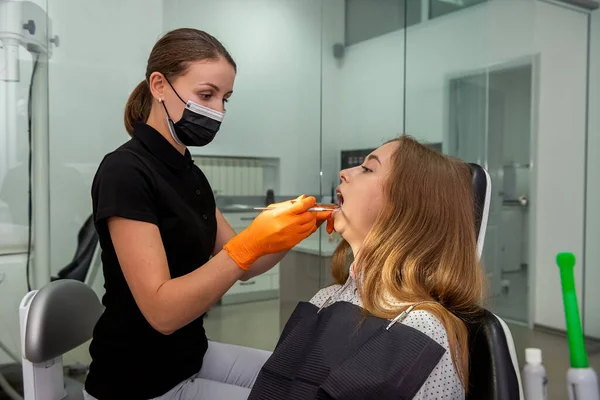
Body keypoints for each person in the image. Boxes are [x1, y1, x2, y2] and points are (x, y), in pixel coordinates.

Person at [83, 28, 330, 400]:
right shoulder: (126, 171)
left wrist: (293, 229)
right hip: (137, 379)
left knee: (300, 381)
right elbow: (162, 312)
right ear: (159, 85)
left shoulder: (189, 172)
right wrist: (249, 245)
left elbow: (245, 266)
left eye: (225, 98)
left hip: (189, 355)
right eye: (206, 95)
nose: (217, 111)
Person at [248, 136, 487, 399]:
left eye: (367, 169)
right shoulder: (326, 298)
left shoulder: (420, 329)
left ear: (405, 207)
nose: (344, 173)